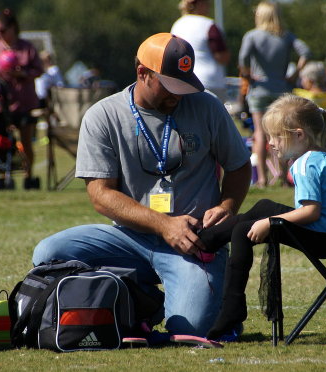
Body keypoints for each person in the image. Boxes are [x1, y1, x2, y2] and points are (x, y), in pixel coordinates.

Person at [32, 33, 252, 337]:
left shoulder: (207, 106)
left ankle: (172, 296)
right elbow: (100, 194)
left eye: (184, 84)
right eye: (170, 85)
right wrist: (163, 225)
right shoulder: (103, 116)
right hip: (129, 238)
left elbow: (239, 165)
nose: (178, 95)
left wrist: (227, 206)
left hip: (194, 243)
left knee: (190, 328)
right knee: (48, 253)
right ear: (142, 73)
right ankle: (135, 298)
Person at [197, 94, 326, 340]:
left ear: (299, 135)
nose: (270, 143)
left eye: (275, 136)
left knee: (245, 229)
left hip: (322, 237)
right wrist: (267, 217)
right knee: (263, 206)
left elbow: (311, 211)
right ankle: (208, 240)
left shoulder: (305, 164)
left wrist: (270, 223)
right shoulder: (324, 157)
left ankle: (231, 308)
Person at [239, 1, 310, 188]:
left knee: (260, 132)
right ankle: (284, 176)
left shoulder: (252, 36)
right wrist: (293, 75)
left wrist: (248, 76)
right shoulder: (286, 36)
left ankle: (262, 179)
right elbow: (306, 52)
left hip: (259, 90)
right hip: (281, 89)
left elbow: (243, 58)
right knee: (283, 133)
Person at [0, 9, 43, 189]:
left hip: (24, 103)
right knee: (2, 142)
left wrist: (22, 73)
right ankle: (5, 173)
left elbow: (38, 70)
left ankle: (29, 176)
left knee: (26, 142)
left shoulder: (26, 48)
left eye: (2, 31)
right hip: (1, 105)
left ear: (12, 28)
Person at [171, 0, 230, 103]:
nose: (209, 6)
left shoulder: (177, 25)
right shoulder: (209, 24)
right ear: (199, 4)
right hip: (210, 82)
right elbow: (222, 57)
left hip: (183, 81)